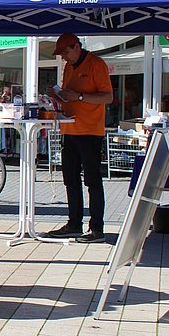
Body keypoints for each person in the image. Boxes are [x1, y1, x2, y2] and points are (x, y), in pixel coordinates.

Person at [46, 33, 113, 243]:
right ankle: (74, 224)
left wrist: (80, 96)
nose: (64, 58)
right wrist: (57, 96)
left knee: (92, 180)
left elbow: (108, 97)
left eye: (66, 52)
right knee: (70, 179)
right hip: (70, 129)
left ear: (77, 46)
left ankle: (96, 228)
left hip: (90, 132)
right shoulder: (68, 67)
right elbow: (69, 96)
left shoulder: (96, 64)